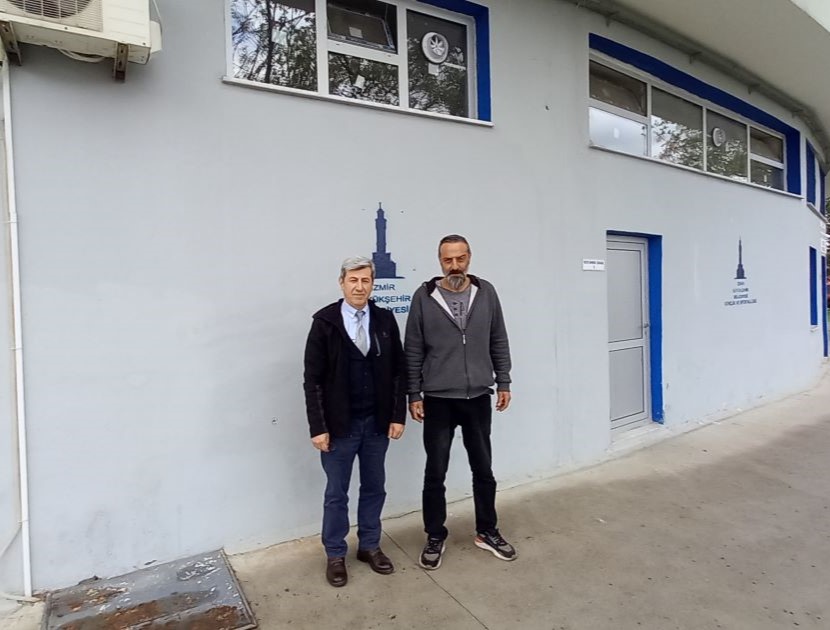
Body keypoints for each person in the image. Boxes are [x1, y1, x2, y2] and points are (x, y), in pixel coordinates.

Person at [405, 234, 516, 570]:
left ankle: (487, 530)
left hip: (478, 397)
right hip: (438, 399)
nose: (455, 265)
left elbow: (498, 338)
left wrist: (503, 380)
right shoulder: (424, 297)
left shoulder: (486, 292)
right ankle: (435, 535)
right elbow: (413, 348)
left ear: (469, 257)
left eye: (460, 258)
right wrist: (414, 393)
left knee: (483, 470)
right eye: (448, 260)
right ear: (440, 261)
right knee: (435, 471)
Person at [303, 256, 406, 587]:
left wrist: (397, 415)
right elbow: (312, 380)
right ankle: (335, 553)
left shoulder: (385, 320)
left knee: (374, 487)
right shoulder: (325, 323)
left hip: (376, 424)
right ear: (342, 283)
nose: (359, 287)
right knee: (337, 493)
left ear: (372, 284)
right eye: (353, 280)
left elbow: (398, 372)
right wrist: (318, 427)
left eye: (365, 281)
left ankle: (370, 546)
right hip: (339, 427)